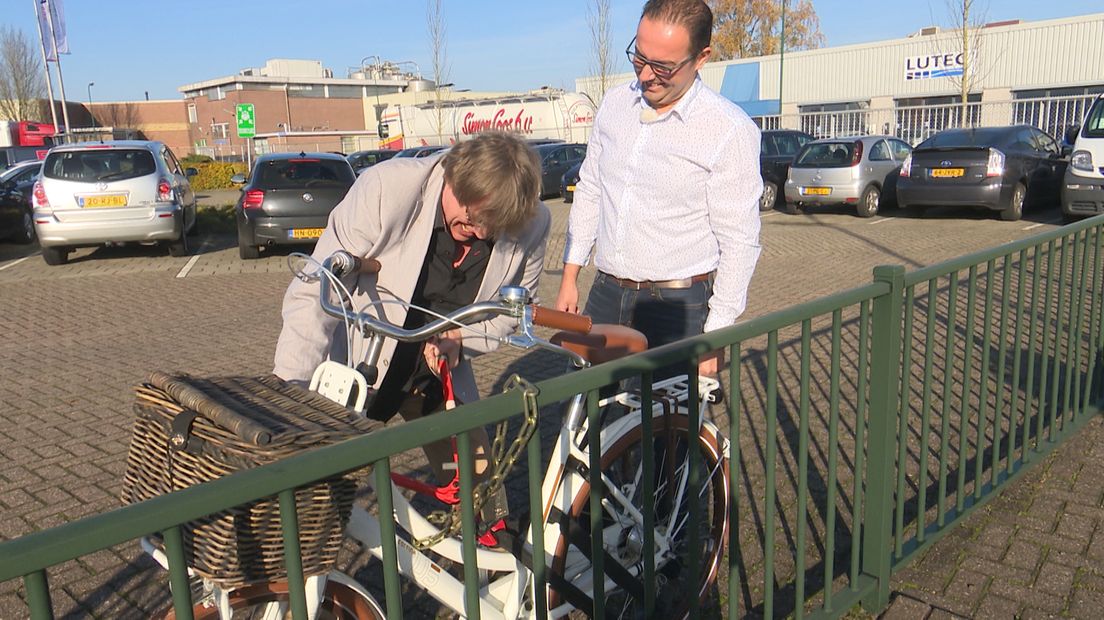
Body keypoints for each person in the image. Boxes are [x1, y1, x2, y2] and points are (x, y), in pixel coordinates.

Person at [274, 131, 550, 522]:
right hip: (363, 362)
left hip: (439, 371)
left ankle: (497, 569)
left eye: (495, 228)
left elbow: (510, 312)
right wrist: (290, 392)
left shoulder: (533, 223)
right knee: (321, 504)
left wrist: (461, 338)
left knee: (484, 496)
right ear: (454, 177)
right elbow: (316, 292)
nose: (483, 235)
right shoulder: (387, 189)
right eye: (473, 219)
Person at [556, 0, 762, 378]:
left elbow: (739, 242)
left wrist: (714, 337)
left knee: (666, 429)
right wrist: (570, 276)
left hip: (677, 307)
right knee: (588, 413)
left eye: (664, 66)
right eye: (639, 57)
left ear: (701, 59)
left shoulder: (728, 130)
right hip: (606, 293)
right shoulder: (615, 104)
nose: (647, 75)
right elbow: (591, 189)